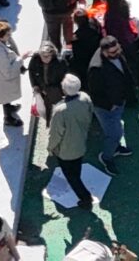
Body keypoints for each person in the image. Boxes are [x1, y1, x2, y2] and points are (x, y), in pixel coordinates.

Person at [46, 74, 98, 211]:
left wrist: (50, 148)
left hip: (66, 151)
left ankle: (85, 198)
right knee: (76, 168)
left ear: (64, 89)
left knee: (71, 176)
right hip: (81, 143)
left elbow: (55, 134)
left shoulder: (60, 110)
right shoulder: (85, 98)